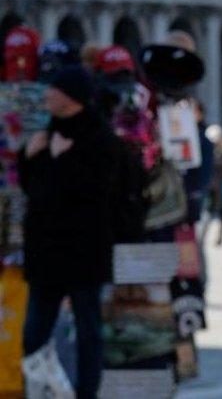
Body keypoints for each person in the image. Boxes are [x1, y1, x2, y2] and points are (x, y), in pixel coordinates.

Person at [18, 66, 125, 399]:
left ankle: (86, 393)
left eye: (53, 90)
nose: (47, 95)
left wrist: (59, 160)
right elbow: (34, 188)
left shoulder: (100, 138)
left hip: (83, 251)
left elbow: (88, 193)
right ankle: (39, 389)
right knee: (34, 331)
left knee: (88, 328)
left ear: (71, 98)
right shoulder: (49, 133)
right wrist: (29, 157)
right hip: (47, 251)